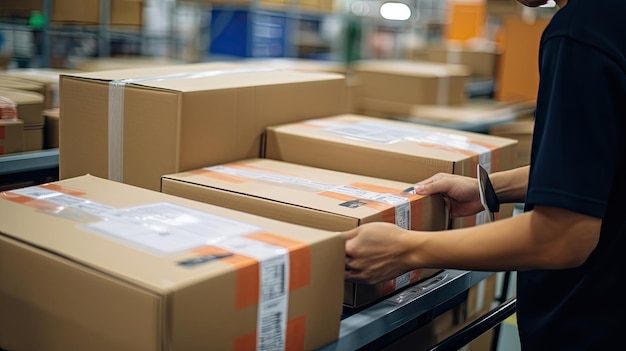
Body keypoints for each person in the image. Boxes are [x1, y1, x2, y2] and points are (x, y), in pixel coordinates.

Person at [341, 0, 626, 349]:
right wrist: (488, 189)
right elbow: (599, 166)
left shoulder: (583, 30)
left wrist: (407, 249)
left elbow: (564, 235)